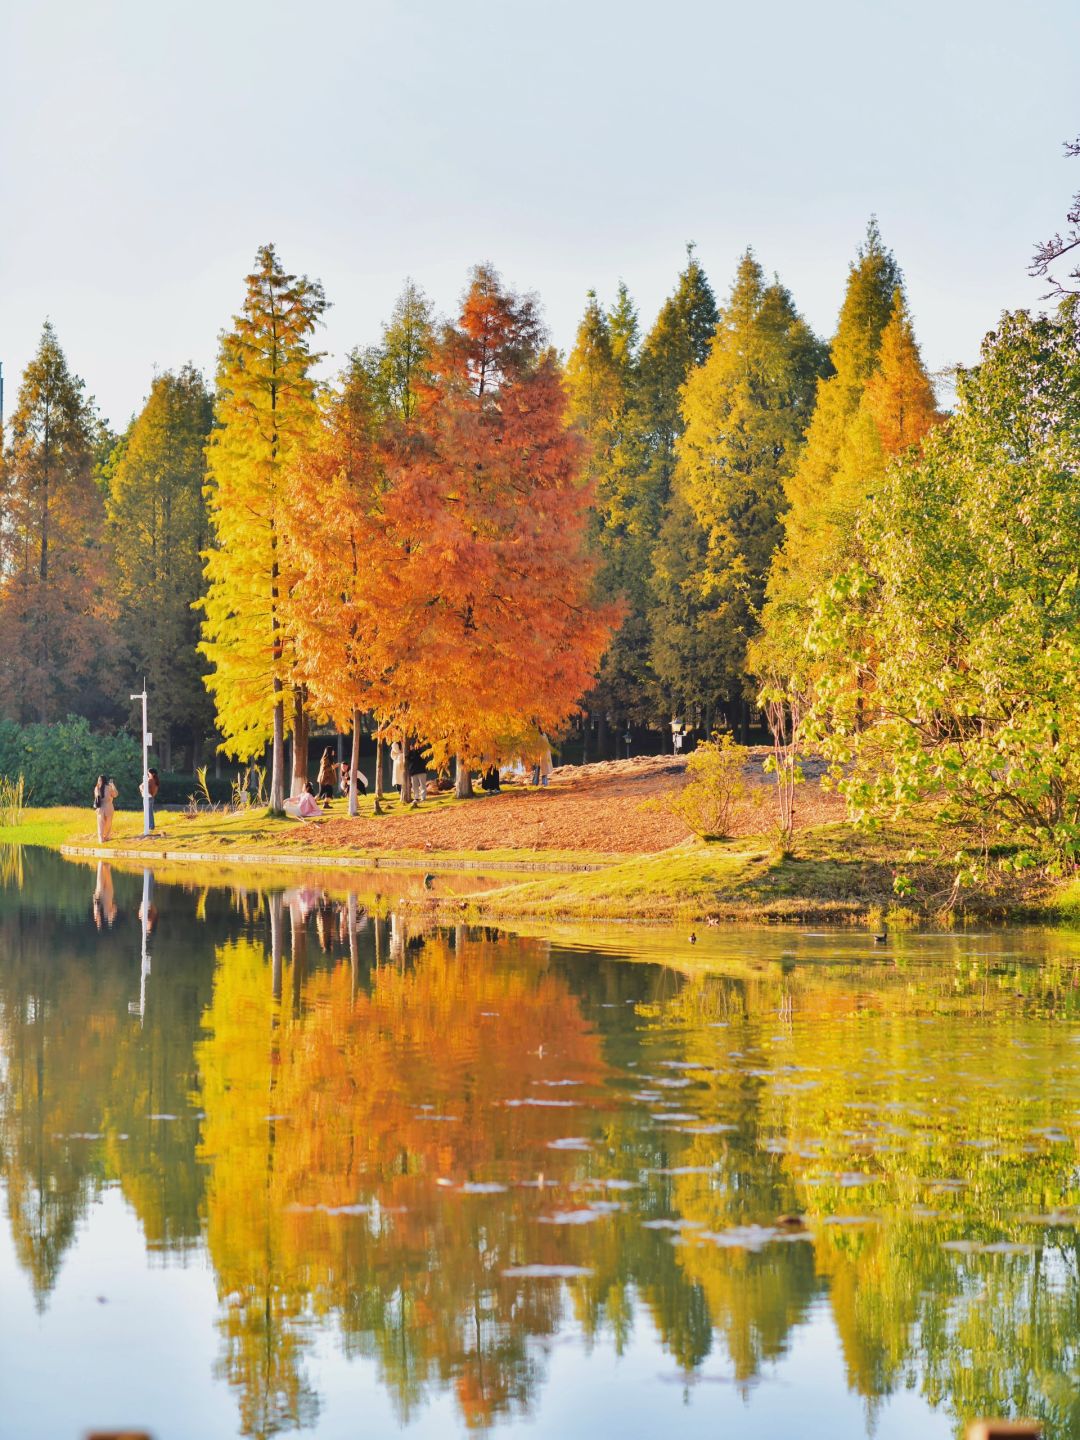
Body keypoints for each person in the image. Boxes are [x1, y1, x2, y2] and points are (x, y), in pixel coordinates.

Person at [93, 774, 118, 843]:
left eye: (99, 780)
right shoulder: (109, 787)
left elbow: (97, 798)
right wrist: (112, 785)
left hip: (100, 808)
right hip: (109, 807)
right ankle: (106, 836)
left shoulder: (97, 788)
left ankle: (101, 838)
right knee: (108, 823)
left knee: (100, 823)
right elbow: (115, 794)